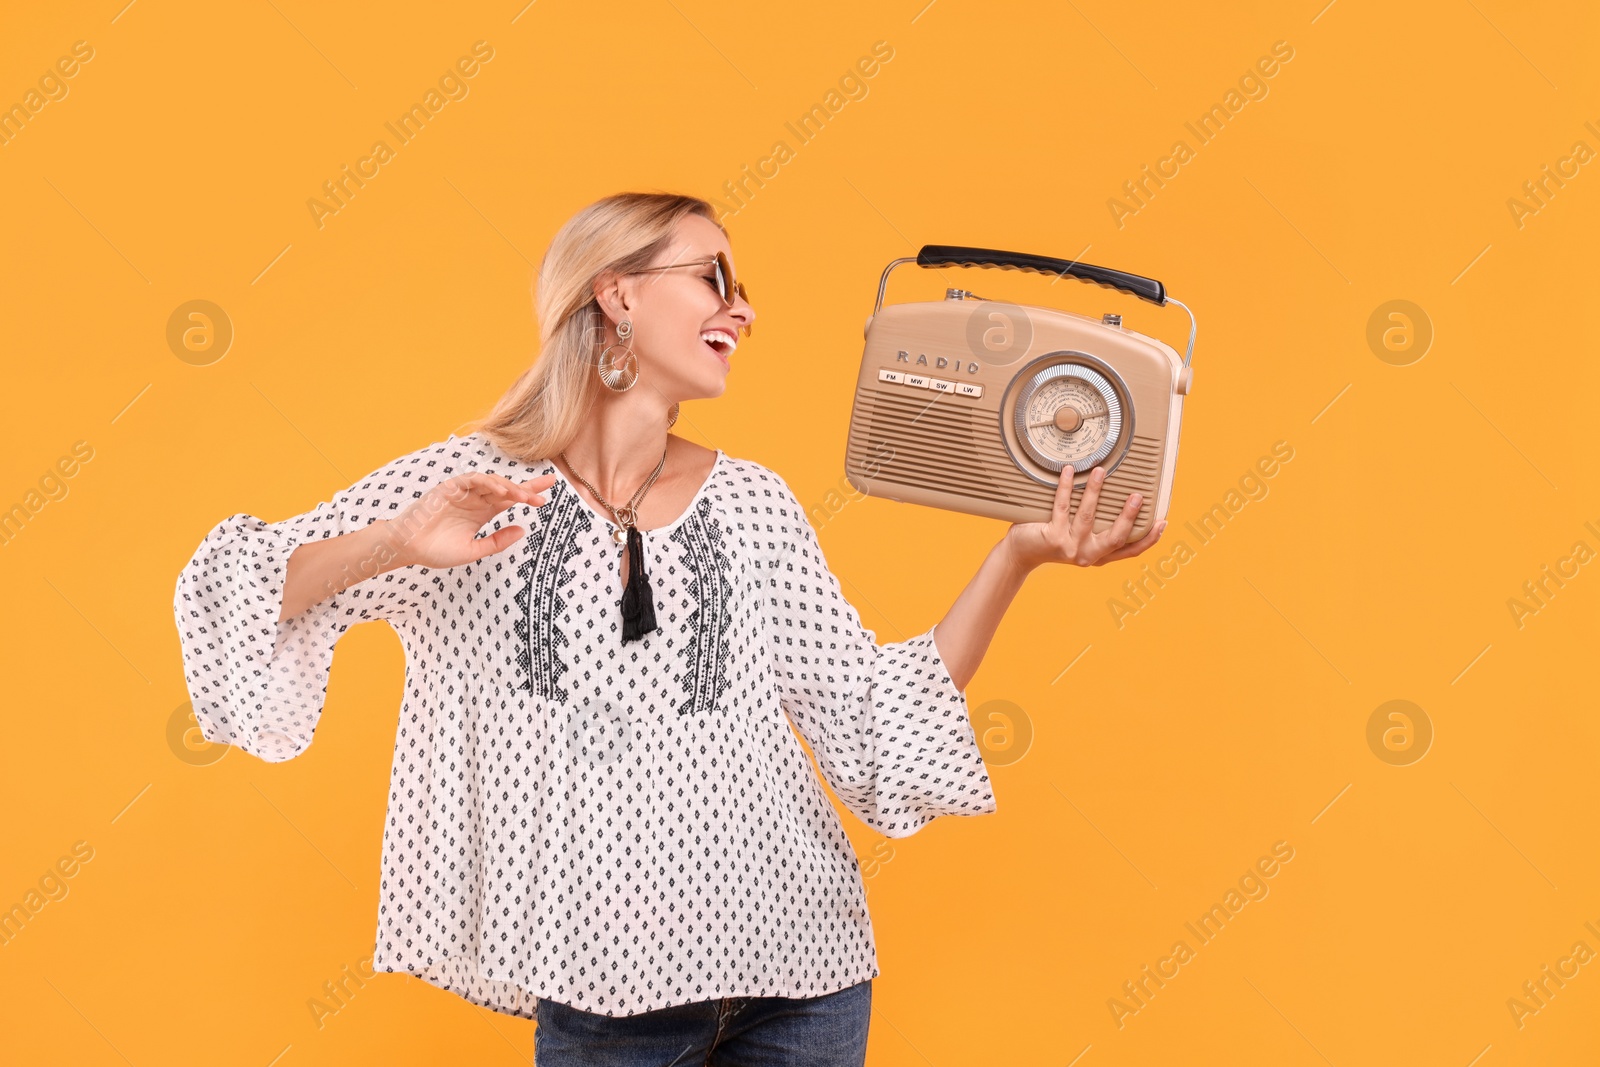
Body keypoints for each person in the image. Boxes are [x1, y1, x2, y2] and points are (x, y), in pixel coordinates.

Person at [172, 191, 1165, 1066]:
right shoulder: (470, 481)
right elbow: (249, 594)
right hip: (606, 992)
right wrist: (393, 539)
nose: (744, 307)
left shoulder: (753, 502)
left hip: (804, 973)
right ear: (617, 293)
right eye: (712, 275)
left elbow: (866, 711)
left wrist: (1015, 555)